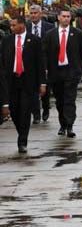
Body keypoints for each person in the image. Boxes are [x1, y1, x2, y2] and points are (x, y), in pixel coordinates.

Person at [42, 9, 82, 138]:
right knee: (60, 100)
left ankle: (69, 125)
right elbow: (45, 54)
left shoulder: (77, 34)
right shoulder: (50, 34)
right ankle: (62, 124)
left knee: (70, 99)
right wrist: (45, 69)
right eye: (63, 16)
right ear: (58, 18)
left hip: (72, 71)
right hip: (56, 72)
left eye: (68, 16)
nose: (66, 19)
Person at [0, 16, 45, 153]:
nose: (11, 28)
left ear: (22, 25)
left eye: (14, 25)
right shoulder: (7, 41)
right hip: (11, 81)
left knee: (25, 111)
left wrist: (42, 83)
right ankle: (21, 132)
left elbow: (40, 63)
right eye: (10, 25)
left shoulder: (34, 40)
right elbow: (3, 62)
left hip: (28, 81)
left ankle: (22, 140)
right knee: (14, 111)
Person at [26, 4, 54, 123]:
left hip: (45, 62)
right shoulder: (26, 27)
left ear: (40, 14)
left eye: (35, 13)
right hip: (30, 64)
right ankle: (36, 114)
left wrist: (49, 65)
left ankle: (46, 108)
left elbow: (52, 47)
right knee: (32, 89)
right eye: (31, 14)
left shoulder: (49, 27)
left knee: (45, 89)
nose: (33, 16)